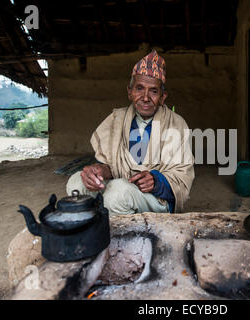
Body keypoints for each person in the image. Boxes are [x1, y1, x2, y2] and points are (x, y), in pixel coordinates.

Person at [66, 50, 195, 214]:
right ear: (129, 91)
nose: (146, 97)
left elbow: (182, 179)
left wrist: (156, 181)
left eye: (153, 91)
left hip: (156, 198)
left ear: (163, 97)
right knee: (76, 182)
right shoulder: (116, 119)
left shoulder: (176, 124)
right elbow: (111, 167)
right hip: (120, 184)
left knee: (117, 194)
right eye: (139, 88)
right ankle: (89, 230)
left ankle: (119, 236)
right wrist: (97, 171)